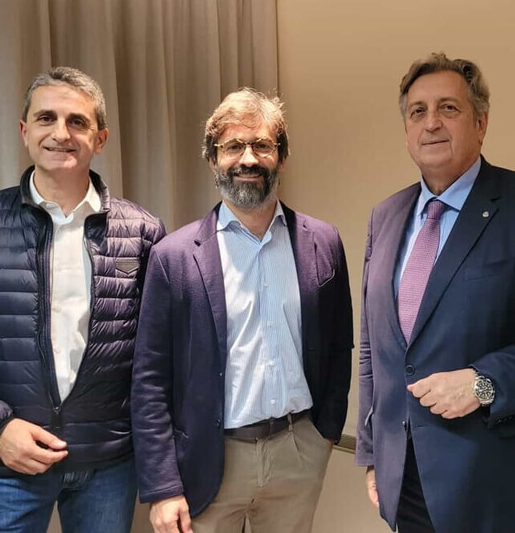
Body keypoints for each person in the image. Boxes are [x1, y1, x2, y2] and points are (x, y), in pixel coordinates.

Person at [0, 66, 165, 532]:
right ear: (25, 131)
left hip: (108, 465)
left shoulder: (142, 232)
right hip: (8, 465)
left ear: (101, 138)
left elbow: (157, 356)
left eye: (77, 122)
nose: (61, 133)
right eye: (47, 118)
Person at [356, 52, 515, 533]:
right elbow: (374, 349)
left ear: (480, 123)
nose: (431, 123)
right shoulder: (385, 216)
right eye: (418, 111)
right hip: (407, 482)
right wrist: (373, 453)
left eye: (449, 108)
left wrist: (485, 382)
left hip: (498, 486)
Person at [131, 88, 352, 533]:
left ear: (282, 157)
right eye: (233, 146)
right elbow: (149, 378)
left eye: (262, 145)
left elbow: (339, 344)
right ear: (213, 160)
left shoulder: (323, 242)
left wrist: (324, 434)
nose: (248, 159)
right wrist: (162, 487)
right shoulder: (173, 256)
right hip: (208, 456)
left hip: (297, 451)